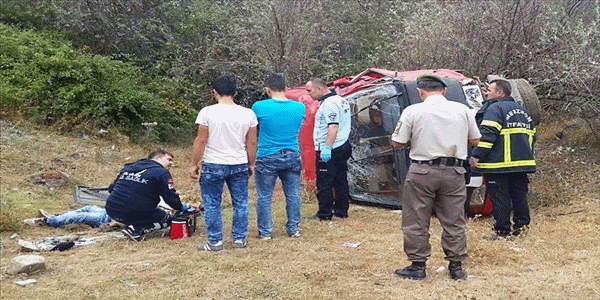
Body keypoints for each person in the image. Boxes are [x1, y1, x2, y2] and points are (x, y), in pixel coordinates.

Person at [391, 74, 481, 280]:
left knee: (416, 219)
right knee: (454, 220)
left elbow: (397, 142)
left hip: (422, 171)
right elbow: (475, 139)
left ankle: (418, 266)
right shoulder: (463, 110)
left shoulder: (412, 111)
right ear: (444, 91)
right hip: (454, 172)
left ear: (420, 92)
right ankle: (456, 267)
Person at [189, 75, 258, 251]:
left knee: (212, 203)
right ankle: (239, 239)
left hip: (213, 163)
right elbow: (251, 142)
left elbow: (201, 140)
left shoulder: (207, 112)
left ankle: (215, 242)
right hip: (238, 163)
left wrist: (193, 163)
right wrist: (251, 163)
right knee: (241, 202)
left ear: (215, 93)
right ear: (235, 93)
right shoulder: (248, 113)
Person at [471, 79, 536, 239]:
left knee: (501, 199)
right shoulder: (522, 110)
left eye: (489, 90)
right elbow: (533, 136)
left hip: (499, 164)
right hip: (522, 164)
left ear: (500, 93)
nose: (485, 93)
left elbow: (488, 135)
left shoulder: (494, 108)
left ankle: (502, 232)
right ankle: (522, 229)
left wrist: (477, 155)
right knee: (519, 197)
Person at [251, 73, 305, 239]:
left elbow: (253, 134)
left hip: (267, 154)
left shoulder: (259, 107)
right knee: (293, 194)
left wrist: (250, 161)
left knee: (265, 196)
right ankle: (293, 228)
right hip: (292, 153)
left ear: (267, 90)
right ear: (286, 88)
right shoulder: (299, 107)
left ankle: (266, 231)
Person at [105, 149, 189, 242]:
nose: (171, 163)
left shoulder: (128, 167)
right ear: (157, 158)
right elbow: (170, 198)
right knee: (165, 219)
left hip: (111, 210)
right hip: (135, 212)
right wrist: (181, 207)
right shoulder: (161, 172)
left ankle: (129, 223)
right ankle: (135, 229)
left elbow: (111, 189)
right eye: (169, 159)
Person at [304, 78, 352, 220]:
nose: (308, 94)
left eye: (309, 90)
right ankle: (341, 210)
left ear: (319, 88)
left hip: (331, 147)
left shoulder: (329, 104)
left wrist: (326, 147)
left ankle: (324, 213)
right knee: (340, 179)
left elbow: (333, 126)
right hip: (342, 144)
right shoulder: (340, 100)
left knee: (324, 182)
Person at [24, 206, 120, 228]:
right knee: (88, 207)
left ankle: (46, 221)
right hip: (107, 211)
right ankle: (60, 217)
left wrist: (115, 223)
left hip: (107, 219)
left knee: (78, 216)